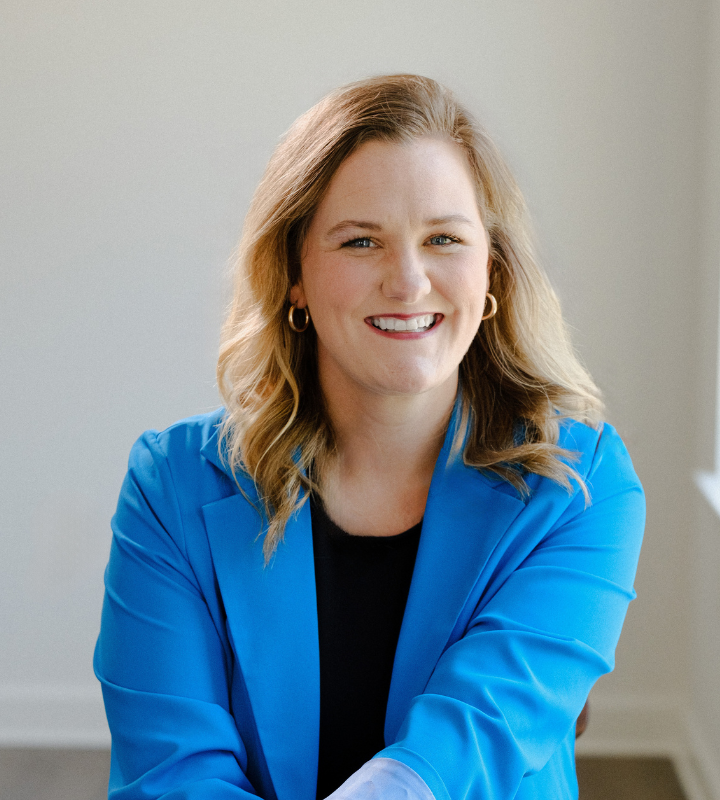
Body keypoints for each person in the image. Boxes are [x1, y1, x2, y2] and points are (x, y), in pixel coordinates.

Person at [94, 74, 645, 800]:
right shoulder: (169, 490)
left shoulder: (581, 486)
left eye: (443, 238)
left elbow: (463, 752)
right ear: (294, 274)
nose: (408, 282)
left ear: (492, 272)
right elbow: (173, 778)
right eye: (361, 241)